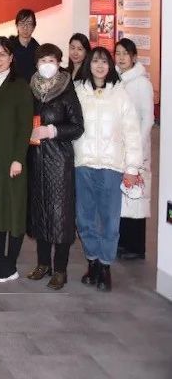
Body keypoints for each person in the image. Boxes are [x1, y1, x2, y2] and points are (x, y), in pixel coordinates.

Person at [74, 47, 142, 292]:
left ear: (110, 66)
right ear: (89, 65)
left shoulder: (120, 95)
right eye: (95, 61)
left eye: (104, 61)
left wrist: (132, 167)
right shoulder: (78, 92)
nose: (100, 66)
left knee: (110, 222)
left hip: (112, 167)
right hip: (83, 165)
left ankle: (105, 266)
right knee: (84, 219)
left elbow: (132, 133)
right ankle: (92, 260)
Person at [25, 43, 84, 291]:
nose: (46, 65)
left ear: (59, 63)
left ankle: (60, 269)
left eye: (51, 60)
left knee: (60, 216)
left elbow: (78, 127)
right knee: (39, 212)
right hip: (35, 159)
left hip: (59, 161)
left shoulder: (67, 91)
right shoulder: (31, 90)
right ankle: (42, 264)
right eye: (42, 61)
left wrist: (52, 131)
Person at [0, 36, 34, 283]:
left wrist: (18, 158)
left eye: (3, 54)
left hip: (11, 159)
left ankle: (11, 263)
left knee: (14, 209)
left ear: (11, 58)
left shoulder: (20, 86)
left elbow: (25, 126)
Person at [114, 38, 154, 262]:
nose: (121, 58)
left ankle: (137, 246)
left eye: (125, 54)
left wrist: (137, 146)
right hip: (122, 147)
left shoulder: (141, 83)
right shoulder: (119, 80)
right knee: (125, 194)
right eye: (118, 53)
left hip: (137, 148)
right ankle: (123, 241)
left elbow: (148, 119)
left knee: (137, 195)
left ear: (134, 57)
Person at [9, 8, 40, 82]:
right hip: (13, 85)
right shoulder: (9, 47)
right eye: (22, 23)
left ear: (34, 27)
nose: (25, 27)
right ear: (17, 26)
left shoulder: (38, 49)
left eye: (29, 23)